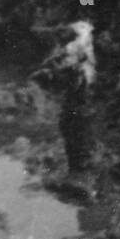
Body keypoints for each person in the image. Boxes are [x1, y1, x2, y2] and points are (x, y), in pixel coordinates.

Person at [33, 21, 96, 177]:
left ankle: (79, 171)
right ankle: (77, 170)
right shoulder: (79, 55)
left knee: (75, 136)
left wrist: (52, 72)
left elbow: (65, 78)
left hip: (77, 108)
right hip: (77, 107)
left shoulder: (78, 62)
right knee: (72, 135)